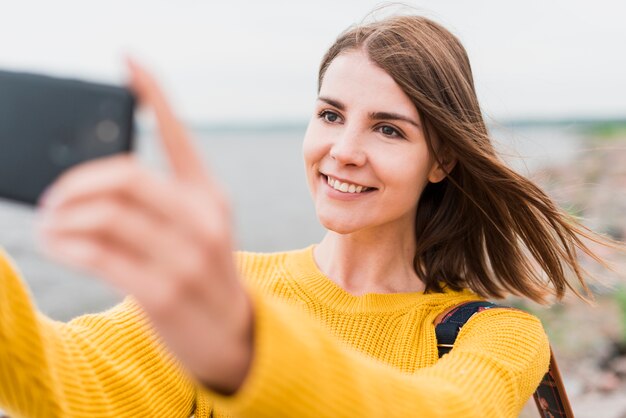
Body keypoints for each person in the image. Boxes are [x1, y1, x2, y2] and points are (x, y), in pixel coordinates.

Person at [0, 13, 615, 418]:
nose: (344, 150)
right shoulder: (228, 287)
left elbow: (435, 410)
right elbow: (64, 379)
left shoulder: (499, 339)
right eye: (330, 114)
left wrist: (242, 349)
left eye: (388, 129)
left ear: (442, 160)